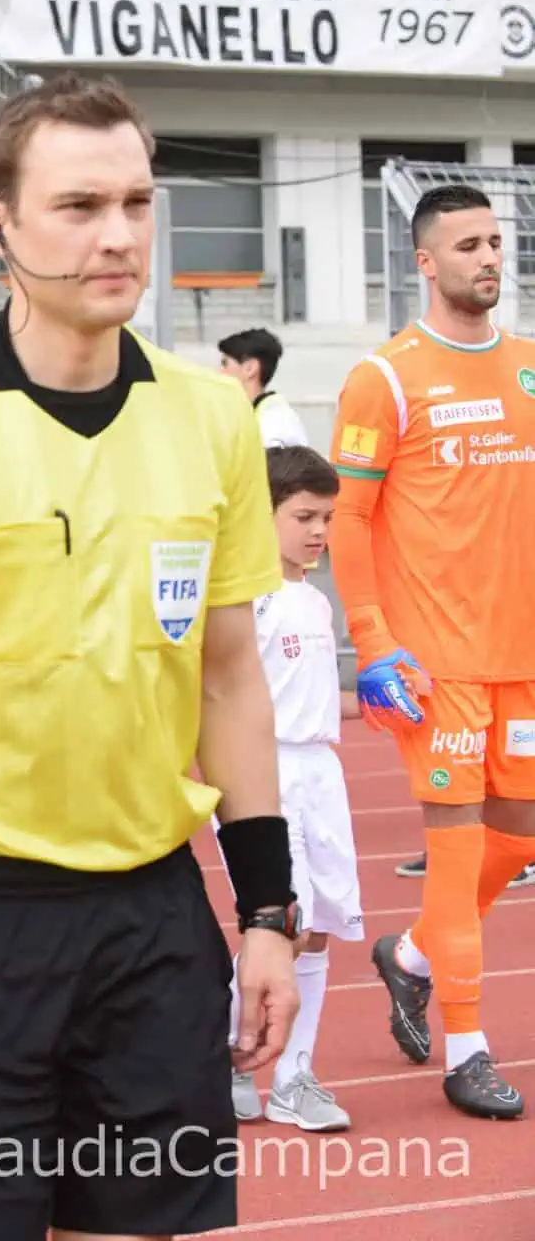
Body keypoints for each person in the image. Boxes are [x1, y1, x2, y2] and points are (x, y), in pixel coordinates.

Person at [0, 73, 296, 1241]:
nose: (119, 234)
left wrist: (270, 909)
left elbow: (231, 676)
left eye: (136, 200)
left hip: (152, 911)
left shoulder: (211, 415)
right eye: (79, 205)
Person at [335, 182, 535, 1120]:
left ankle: (411, 955)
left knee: (518, 838)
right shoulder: (385, 376)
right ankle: (469, 1048)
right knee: (455, 860)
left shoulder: (532, 366)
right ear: (425, 261)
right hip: (435, 663)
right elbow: (347, 520)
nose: (489, 258)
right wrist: (373, 643)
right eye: (468, 245)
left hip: (523, 655)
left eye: (497, 242)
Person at [227, 445, 362, 1134]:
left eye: (328, 518)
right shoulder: (248, 600)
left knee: (322, 930)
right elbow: (224, 693)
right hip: (266, 773)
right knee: (282, 920)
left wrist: (369, 698)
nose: (318, 531)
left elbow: (314, 697)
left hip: (321, 772)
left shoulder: (312, 598)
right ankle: (244, 1062)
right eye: (304, 516)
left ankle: (292, 1072)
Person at [218, 327, 307, 448]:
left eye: (225, 364)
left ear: (250, 368)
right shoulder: (259, 415)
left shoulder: (274, 422)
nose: (220, 372)